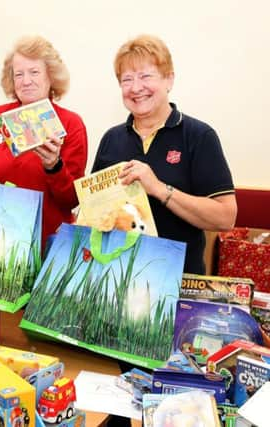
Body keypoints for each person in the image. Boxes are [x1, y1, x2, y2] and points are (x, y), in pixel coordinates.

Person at [92, 34, 237, 275]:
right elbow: (97, 213)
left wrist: (159, 188)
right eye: (127, 79)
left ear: (169, 79)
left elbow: (225, 217)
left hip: (178, 282)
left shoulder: (199, 136)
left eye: (146, 76)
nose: (136, 88)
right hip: (115, 279)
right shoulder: (111, 139)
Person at [0, 35, 88, 246]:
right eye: (18, 74)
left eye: (34, 72)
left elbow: (73, 200)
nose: (26, 81)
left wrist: (54, 167)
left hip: (48, 245)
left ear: (51, 76)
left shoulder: (70, 124)